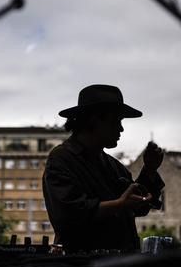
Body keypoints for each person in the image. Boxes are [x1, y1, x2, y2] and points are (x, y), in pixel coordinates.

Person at [43, 84, 165, 253]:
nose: (121, 128)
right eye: (116, 121)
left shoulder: (114, 166)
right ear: (93, 120)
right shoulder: (61, 159)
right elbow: (69, 214)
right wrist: (119, 204)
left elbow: (139, 206)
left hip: (119, 266)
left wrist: (150, 170)